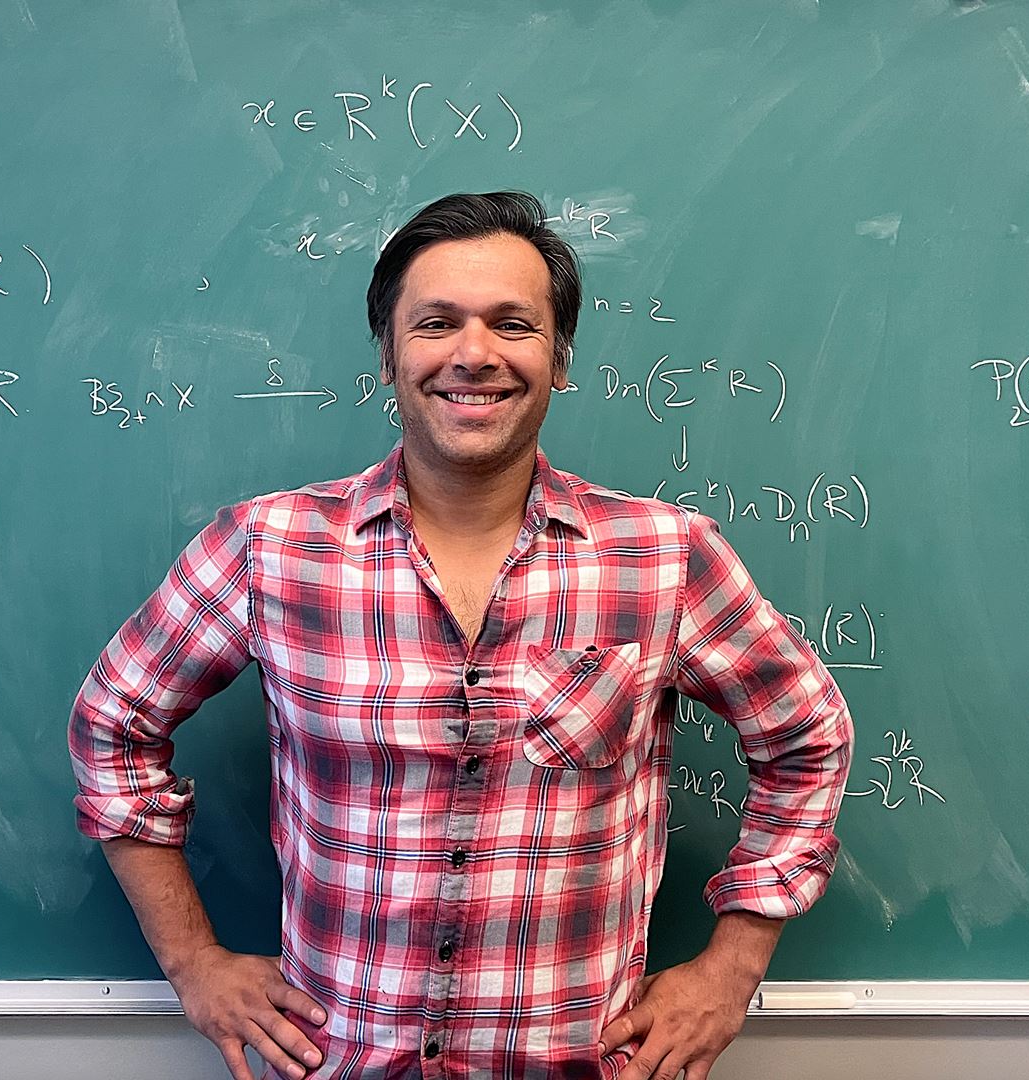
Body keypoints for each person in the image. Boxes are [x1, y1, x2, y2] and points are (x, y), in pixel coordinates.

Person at [70, 191, 853, 1080]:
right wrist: (192, 965)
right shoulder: (269, 548)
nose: (474, 354)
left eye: (512, 324)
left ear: (560, 359)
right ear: (389, 355)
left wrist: (731, 971)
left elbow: (809, 736)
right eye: (437, 322)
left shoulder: (665, 558)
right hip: (338, 1062)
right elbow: (112, 726)